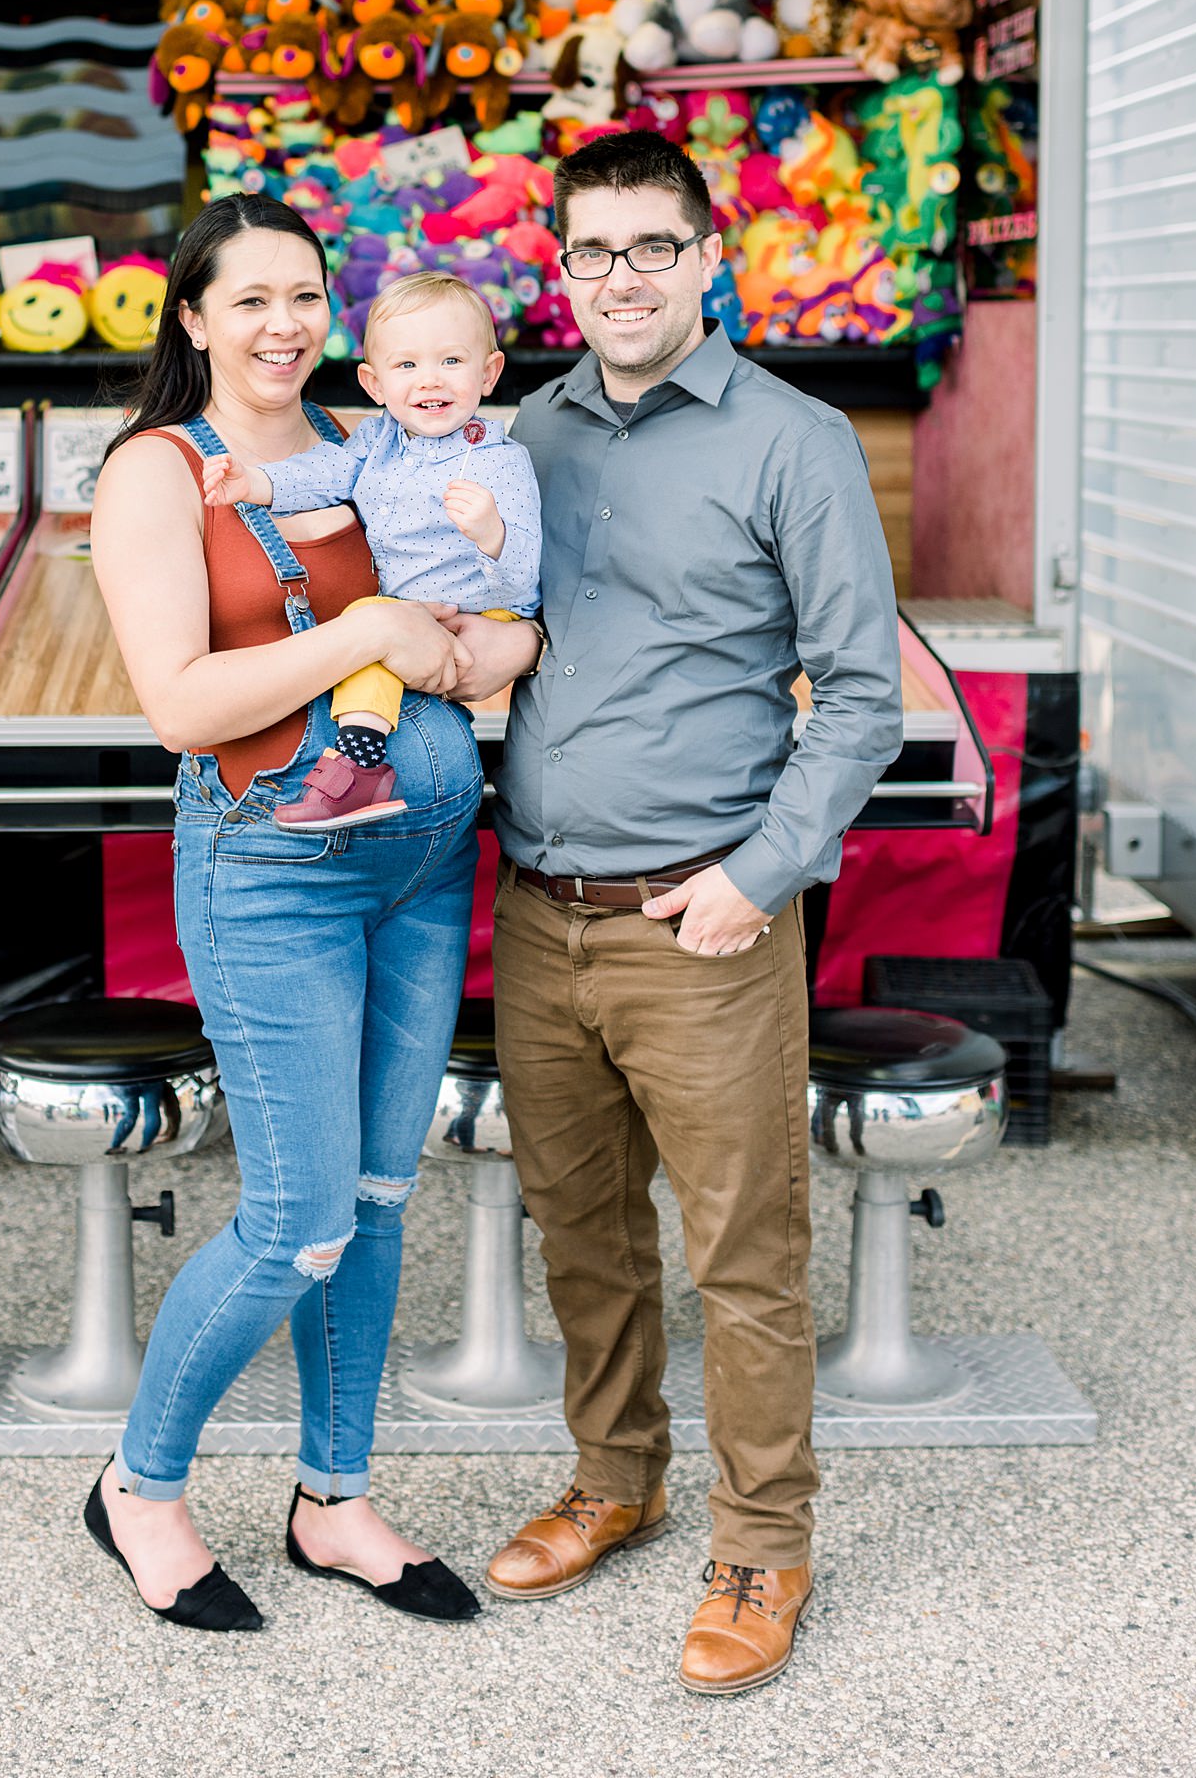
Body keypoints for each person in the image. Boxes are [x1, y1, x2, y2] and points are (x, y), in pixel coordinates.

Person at [480, 131, 903, 1695]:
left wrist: (757, 874)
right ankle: (614, 1476)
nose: (620, 279)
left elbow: (862, 697)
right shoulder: (525, 433)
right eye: (590, 253)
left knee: (741, 1252)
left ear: (709, 254)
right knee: (579, 1230)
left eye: (651, 246)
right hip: (539, 908)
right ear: (561, 268)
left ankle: (761, 1545)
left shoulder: (792, 441)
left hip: (702, 917)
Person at [89, 195, 525, 1633]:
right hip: (269, 870)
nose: (285, 326)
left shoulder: (370, 445)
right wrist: (367, 635)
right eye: (252, 299)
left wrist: (491, 635)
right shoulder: (160, 472)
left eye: (305, 298)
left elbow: (478, 611)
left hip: (420, 861)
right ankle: (141, 1488)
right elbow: (180, 705)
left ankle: (332, 1497)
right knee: (295, 1217)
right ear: (193, 316)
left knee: (382, 1201)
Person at [202, 269, 541, 832]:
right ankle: (366, 763)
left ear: (489, 373)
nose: (429, 381)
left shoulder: (500, 461)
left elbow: (526, 577)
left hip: (480, 614)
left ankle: (357, 768)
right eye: (406, 366)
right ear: (375, 384)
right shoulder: (377, 441)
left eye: (451, 362)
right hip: (411, 617)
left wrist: (492, 534)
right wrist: (255, 484)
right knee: (370, 629)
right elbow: (324, 473)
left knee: (364, 626)